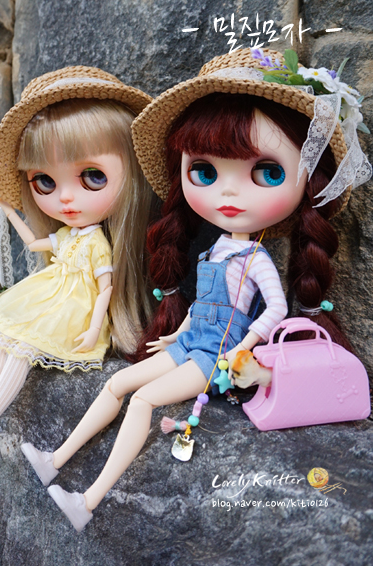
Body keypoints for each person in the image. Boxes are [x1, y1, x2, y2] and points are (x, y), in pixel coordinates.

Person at [21, 48, 370, 531]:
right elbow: (206, 302)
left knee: (143, 400)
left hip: (217, 356)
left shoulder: (256, 259)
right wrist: (177, 331)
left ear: (308, 181)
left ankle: (88, 500)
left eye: (267, 173)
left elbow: (273, 310)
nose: (228, 192)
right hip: (189, 343)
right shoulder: (219, 249)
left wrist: (247, 346)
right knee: (117, 383)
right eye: (205, 171)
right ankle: (53, 460)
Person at [0, 65, 153, 464]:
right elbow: (35, 242)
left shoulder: (98, 243)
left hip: (73, 310)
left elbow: (105, 289)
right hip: (48, 297)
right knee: (3, 344)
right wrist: (11, 211)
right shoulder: (67, 235)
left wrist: (92, 329)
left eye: (92, 177)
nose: (65, 198)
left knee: (19, 351)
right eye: (44, 182)